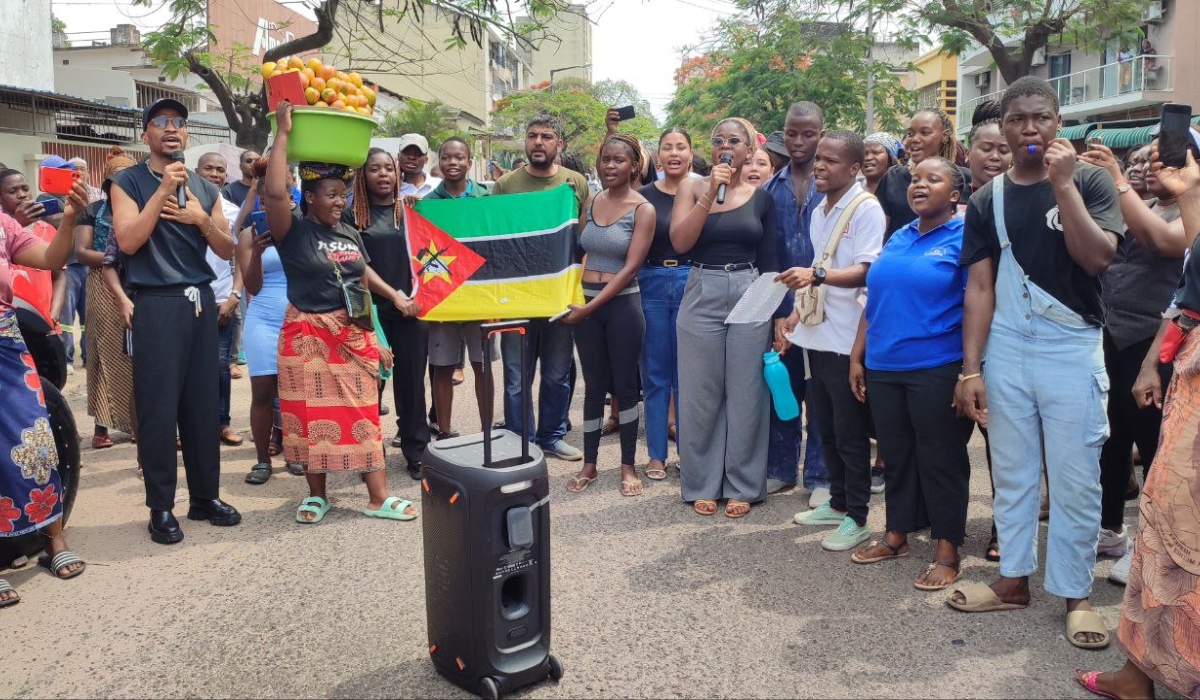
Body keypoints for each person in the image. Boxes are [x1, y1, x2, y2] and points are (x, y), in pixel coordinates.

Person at [951, 77, 1123, 650]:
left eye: (1041, 118)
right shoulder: (986, 198)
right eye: (1018, 119)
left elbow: (1098, 259)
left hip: (1071, 348)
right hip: (1007, 349)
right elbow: (979, 288)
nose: (1030, 129)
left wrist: (1065, 185)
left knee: (1075, 479)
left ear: (1059, 121)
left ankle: (1077, 596)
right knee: (1014, 473)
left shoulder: (1092, 180)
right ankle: (1011, 581)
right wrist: (971, 369)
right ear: (1002, 126)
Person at [1073, 142, 1200, 700]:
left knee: (1178, 517)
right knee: (1163, 517)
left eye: (1167, 158)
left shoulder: (1182, 211)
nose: (1155, 167)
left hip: (1178, 367)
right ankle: (1143, 669)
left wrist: (1125, 183)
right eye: (1145, 159)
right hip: (1160, 356)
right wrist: (1154, 361)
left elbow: (1175, 244)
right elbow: (1187, 301)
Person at [266, 101, 417, 523]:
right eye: (331, 195)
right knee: (311, 417)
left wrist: (382, 330)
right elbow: (275, 192)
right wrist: (282, 133)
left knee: (365, 412)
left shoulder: (348, 230)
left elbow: (361, 276)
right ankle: (317, 495)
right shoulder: (292, 231)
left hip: (352, 333)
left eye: (343, 195)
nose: (339, 202)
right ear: (309, 197)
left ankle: (378, 497)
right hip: (306, 336)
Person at [109, 98, 242, 545]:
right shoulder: (126, 181)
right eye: (161, 122)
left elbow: (227, 249)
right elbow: (127, 242)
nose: (171, 129)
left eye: (179, 124)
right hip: (157, 303)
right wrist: (164, 192)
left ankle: (204, 497)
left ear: (187, 135)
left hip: (200, 302)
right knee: (159, 408)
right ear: (146, 133)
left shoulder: (206, 188)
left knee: (203, 406)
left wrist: (202, 220)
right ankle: (161, 507)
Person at [848, 157, 972, 588]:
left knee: (942, 460)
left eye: (932, 180)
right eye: (915, 180)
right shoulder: (899, 235)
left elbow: (978, 304)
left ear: (954, 194)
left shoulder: (964, 236)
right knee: (896, 455)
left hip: (935, 365)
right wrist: (857, 354)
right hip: (883, 364)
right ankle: (897, 534)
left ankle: (946, 548)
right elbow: (875, 298)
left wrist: (970, 372)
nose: (919, 185)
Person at [1080, 133, 1193, 584]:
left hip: (1158, 344)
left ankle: (1152, 543)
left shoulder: (1188, 211)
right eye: (1137, 161)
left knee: (1153, 447)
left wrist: (1116, 181)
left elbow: (1163, 242)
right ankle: (1110, 528)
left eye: (1156, 159)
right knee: (1110, 441)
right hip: (1111, 337)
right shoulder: (1135, 206)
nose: (1145, 166)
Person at [781, 131, 884, 551]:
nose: (819, 166)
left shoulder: (866, 208)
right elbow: (817, 266)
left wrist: (817, 277)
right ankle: (838, 502)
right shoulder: (821, 209)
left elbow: (868, 271)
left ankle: (858, 516)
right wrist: (795, 311)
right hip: (816, 332)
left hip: (845, 337)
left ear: (854, 168)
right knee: (822, 424)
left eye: (830, 160)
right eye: (818, 159)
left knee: (850, 432)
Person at [671, 117, 778, 518]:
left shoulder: (762, 197)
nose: (726, 146)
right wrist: (708, 194)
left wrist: (777, 313)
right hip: (702, 287)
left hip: (750, 289)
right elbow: (681, 242)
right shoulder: (693, 185)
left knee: (747, 393)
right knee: (701, 394)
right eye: (718, 140)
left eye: (735, 140)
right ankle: (702, 483)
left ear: (751, 150)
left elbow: (770, 260)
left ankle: (743, 485)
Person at [0, 194, 90, 607]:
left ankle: (54, 540)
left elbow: (51, 258)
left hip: (4, 339)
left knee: (34, 438)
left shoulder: (4, 223)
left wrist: (70, 219)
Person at [492, 116, 590, 461]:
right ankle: (521, 441)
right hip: (517, 297)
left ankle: (551, 436)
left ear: (558, 145)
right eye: (532, 136)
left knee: (556, 373)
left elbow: (584, 238)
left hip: (559, 297)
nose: (538, 142)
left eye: (546, 137)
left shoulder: (575, 183)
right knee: (517, 378)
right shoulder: (505, 184)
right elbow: (494, 241)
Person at [563, 133, 654, 495]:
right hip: (586, 303)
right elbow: (579, 252)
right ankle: (590, 463)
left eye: (619, 160)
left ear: (634, 166)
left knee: (625, 386)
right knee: (593, 386)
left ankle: (628, 466)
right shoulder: (592, 200)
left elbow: (630, 269)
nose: (611, 166)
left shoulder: (642, 209)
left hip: (621, 306)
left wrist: (590, 306)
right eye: (605, 160)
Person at [347, 147, 429, 479]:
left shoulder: (410, 211)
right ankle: (368, 453)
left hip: (411, 310)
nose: (383, 174)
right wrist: (391, 297)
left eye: (389, 169)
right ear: (361, 176)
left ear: (398, 175)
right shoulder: (351, 216)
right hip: (369, 313)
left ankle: (416, 451)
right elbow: (355, 266)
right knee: (369, 387)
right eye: (374, 169)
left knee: (411, 385)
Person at [762, 102, 829, 502]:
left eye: (808, 134)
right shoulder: (770, 189)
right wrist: (777, 312)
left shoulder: (834, 185)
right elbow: (767, 258)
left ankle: (820, 476)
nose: (800, 141)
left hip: (827, 304)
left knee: (821, 392)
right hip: (782, 307)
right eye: (792, 133)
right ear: (782, 134)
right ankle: (781, 468)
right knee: (781, 386)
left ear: (821, 134)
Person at [424, 137, 495, 441]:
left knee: (482, 365)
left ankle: (487, 431)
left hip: (479, 295)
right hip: (443, 296)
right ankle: (444, 431)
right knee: (442, 365)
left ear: (469, 161)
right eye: (446, 157)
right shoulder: (427, 205)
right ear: (438, 162)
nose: (452, 162)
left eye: (459, 157)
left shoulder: (486, 199)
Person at [237, 164, 299, 484]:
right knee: (262, 391)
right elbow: (253, 286)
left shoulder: (304, 226)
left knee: (296, 392)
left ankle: (296, 452)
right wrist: (259, 254)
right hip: (263, 319)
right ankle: (262, 460)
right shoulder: (250, 233)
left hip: (299, 319)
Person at [73, 147, 137, 451]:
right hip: (102, 283)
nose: (122, 180)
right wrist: (117, 257)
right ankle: (102, 426)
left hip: (138, 284)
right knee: (104, 351)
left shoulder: (142, 207)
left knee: (139, 354)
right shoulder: (92, 210)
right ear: (106, 179)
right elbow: (82, 253)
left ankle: (138, 423)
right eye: (116, 175)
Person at [638, 127, 693, 480]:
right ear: (658, 156)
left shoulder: (705, 191)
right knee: (656, 374)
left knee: (690, 375)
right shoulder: (642, 197)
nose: (674, 153)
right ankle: (657, 454)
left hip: (693, 281)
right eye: (667, 148)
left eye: (681, 147)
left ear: (691, 153)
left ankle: (691, 454)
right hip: (651, 282)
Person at [196, 152, 246, 448]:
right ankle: (188, 427)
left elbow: (242, 256)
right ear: (196, 171)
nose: (215, 174)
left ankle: (222, 423)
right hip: (186, 300)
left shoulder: (232, 210)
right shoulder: (178, 203)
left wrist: (234, 295)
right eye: (209, 168)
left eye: (220, 170)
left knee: (220, 367)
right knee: (187, 369)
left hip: (221, 300)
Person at [876, 108, 972, 242]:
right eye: (910, 133)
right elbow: (878, 234)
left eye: (924, 133)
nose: (914, 139)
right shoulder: (892, 178)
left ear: (944, 136)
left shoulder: (966, 179)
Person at [397, 134, 442, 199]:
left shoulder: (439, 185)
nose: (411, 157)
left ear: (426, 160)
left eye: (417, 154)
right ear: (398, 156)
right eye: (407, 153)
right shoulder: (391, 189)